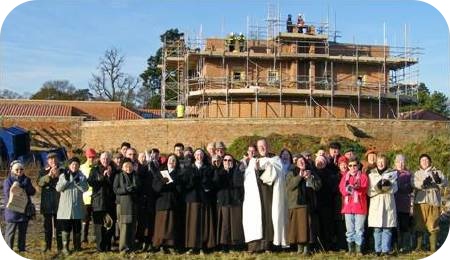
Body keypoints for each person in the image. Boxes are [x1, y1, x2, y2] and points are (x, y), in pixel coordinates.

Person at [242, 139, 287, 252]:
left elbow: (279, 175)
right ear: (257, 149)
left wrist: (269, 169)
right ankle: (255, 247)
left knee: (269, 217)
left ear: (268, 146)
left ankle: (268, 246)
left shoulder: (276, 160)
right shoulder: (253, 161)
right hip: (256, 194)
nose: (262, 148)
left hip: (270, 193)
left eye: (264, 145)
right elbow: (248, 179)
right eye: (260, 146)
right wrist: (256, 170)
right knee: (255, 218)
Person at [181, 148, 216, 254]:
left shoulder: (209, 168)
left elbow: (213, 182)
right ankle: (192, 246)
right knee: (192, 223)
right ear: (194, 156)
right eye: (197, 154)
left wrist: (207, 185)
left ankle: (203, 246)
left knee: (203, 223)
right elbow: (184, 183)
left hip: (204, 198)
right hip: (192, 198)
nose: (199, 156)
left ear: (204, 156)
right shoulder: (188, 168)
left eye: (201, 154)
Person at [411, 154, 448, 252]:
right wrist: (422, 184)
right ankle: (418, 247)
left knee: (433, 224)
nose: (424, 162)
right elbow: (413, 183)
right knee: (419, 224)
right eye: (422, 160)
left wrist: (439, 180)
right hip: (420, 201)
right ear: (420, 162)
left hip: (433, 201)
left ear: (430, 162)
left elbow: (445, 182)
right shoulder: (417, 173)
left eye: (426, 160)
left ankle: (433, 247)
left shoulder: (437, 172)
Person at [286, 156, 321, 255]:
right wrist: (299, 177)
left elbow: (318, 186)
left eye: (303, 161)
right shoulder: (291, 173)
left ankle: (307, 249)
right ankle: (299, 249)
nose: (302, 162)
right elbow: (289, 187)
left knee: (307, 228)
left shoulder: (311, 172)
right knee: (296, 228)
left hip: (307, 204)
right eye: (299, 161)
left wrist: (309, 177)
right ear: (296, 163)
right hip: (295, 204)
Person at [56, 157, 89, 255]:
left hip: (77, 206)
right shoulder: (63, 175)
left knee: (77, 228)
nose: (74, 166)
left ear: (79, 166)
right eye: (72, 164)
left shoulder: (82, 176)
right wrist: (66, 180)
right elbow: (58, 188)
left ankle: (77, 246)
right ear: (69, 166)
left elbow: (85, 189)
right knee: (65, 228)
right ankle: (65, 248)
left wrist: (78, 182)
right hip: (65, 207)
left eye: (76, 164)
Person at [213, 154, 245, 251]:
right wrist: (218, 169)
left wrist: (232, 170)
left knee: (235, 224)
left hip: (235, 201)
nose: (227, 162)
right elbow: (217, 183)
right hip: (224, 201)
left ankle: (235, 245)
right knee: (225, 224)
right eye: (225, 160)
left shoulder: (237, 171)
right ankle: (224, 245)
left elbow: (237, 183)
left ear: (233, 162)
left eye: (229, 160)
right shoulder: (219, 172)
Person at [368, 155, 398, 256]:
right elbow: (368, 191)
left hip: (387, 203)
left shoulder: (392, 173)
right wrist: (378, 189)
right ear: (376, 162)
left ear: (386, 162)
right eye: (379, 161)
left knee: (387, 228)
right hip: (376, 203)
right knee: (377, 229)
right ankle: (378, 250)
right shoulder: (371, 174)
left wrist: (387, 187)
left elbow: (395, 188)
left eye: (383, 161)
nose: (381, 163)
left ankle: (386, 250)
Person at [152, 154, 182, 254]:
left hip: (174, 203)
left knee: (172, 225)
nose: (171, 162)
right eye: (170, 159)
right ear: (167, 161)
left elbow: (181, 190)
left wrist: (175, 183)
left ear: (176, 163)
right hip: (162, 202)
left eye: (174, 160)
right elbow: (155, 188)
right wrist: (163, 182)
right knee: (161, 225)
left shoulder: (179, 173)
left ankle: (171, 245)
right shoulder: (160, 173)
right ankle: (160, 245)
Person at [3, 161, 36, 252]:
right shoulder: (8, 181)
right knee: (10, 233)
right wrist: (19, 188)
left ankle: (22, 250)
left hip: (24, 211)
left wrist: (26, 185)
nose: (19, 171)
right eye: (16, 169)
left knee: (22, 233)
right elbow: (7, 195)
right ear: (12, 170)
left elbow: (33, 192)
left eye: (21, 169)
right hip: (12, 211)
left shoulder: (27, 180)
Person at [88, 152, 117, 252]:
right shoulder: (95, 169)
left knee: (110, 225)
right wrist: (102, 177)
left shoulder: (115, 170)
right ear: (100, 159)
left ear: (110, 159)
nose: (105, 160)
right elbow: (91, 182)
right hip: (98, 201)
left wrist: (110, 176)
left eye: (107, 158)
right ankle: (100, 247)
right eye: (103, 158)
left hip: (111, 202)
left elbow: (116, 185)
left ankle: (108, 246)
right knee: (99, 226)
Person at [339, 157, 368, 256]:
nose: (352, 167)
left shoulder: (363, 176)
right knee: (349, 230)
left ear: (358, 166)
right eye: (350, 165)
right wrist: (348, 190)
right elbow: (341, 189)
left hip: (359, 207)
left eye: (354, 165)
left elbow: (365, 189)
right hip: (348, 207)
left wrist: (357, 188)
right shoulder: (345, 177)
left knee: (359, 230)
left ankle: (358, 250)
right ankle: (351, 250)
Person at [37, 153, 64, 253]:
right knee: (47, 227)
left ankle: (60, 247)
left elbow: (65, 183)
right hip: (47, 203)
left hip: (59, 203)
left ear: (57, 159)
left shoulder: (62, 171)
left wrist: (58, 176)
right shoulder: (43, 171)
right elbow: (39, 183)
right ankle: (47, 246)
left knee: (59, 227)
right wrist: (48, 175)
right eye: (50, 159)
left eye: (54, 158)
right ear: (47, 161)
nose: (52, 161)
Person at [113, 158, 140, 253]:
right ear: (122, 167)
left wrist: (135, 188)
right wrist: (126, 190)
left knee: (132, 226)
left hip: (133, 204)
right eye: (126, 166)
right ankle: (123, 248)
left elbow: (139, 188)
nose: (128, 168)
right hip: (123, 204)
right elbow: (116, 190)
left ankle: (131, 246)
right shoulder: (119, 176)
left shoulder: (135, 176)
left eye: (130, 166)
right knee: (124, 226)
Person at [315, 154, 339, 251]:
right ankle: (318, 245)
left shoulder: (330, 173)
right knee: (318, 225)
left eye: (322, 161)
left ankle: (327, 245)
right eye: (318, 161)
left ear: (325, 163)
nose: (320, 163)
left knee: (327, 225)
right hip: (315, 203)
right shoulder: (313, 172)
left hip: (327, 203)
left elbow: (333, 188)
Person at [393, 154, 413, 252]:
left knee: (404, 226)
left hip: (405, 204)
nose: (400, 164)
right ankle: (395, 246)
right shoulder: (391, 173)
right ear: (395, 163)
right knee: (394, 226)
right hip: (393, 204)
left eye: (402, 162)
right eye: (398, 162)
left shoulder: (409, 174)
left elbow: (411, 188)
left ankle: (404, 246)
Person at [80, 148, 96, 243]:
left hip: (95, 197)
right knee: (85, 218)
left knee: (95, 218)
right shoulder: (81, 167)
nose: (91, 159)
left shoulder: (97, 167)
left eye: (93, 157)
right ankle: (83, 237)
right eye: (90, 157)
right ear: (86, 156)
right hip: (85, 197)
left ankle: (95, 236)